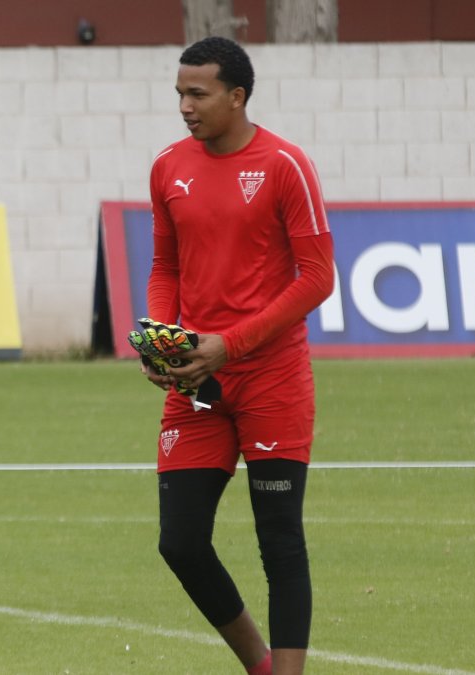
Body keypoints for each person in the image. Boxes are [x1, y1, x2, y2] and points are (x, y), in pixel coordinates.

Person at [140, 37, 334, 675]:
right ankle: (260, 664)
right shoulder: (169, 166)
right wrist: (161, 338)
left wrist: (233, 344)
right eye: (179, 94)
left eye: (197, 94)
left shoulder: (285, 165)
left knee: (279, 541)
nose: (185, 107)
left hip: (270, 379)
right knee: (181, 542)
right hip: (196, 379)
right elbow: (166, 264)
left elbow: (316, 277)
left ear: (237, 96)